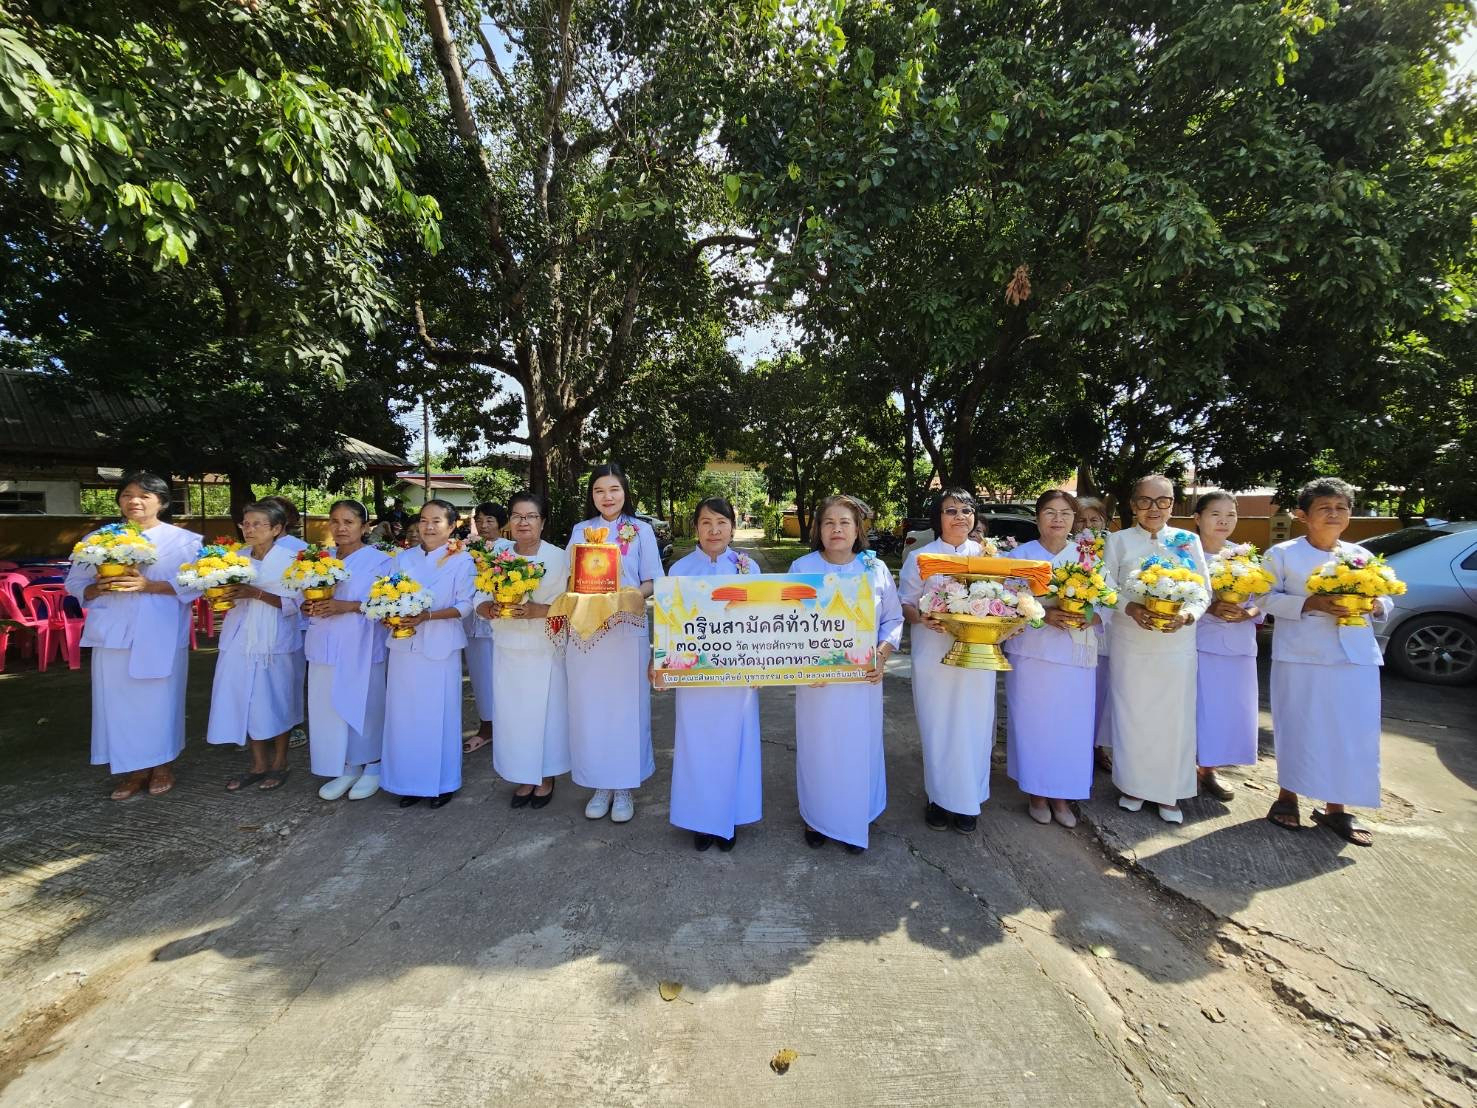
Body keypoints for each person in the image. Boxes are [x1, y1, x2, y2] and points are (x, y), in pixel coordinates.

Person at [1262, 478, 1388, 846]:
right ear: (1303, 515)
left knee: (1350, 730)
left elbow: (1387, 595)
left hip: (1355, 656)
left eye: (1342, 508)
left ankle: (1337, 808)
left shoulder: (1360, 556)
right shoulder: (1283, 554)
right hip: (1302, 655)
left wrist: (1375, 604)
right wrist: (1310, 603)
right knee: (1298, 723)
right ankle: (1288, 796)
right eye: (1325, 508)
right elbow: (1263, 598)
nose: (1334, 514)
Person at [65, 472, 202, 799]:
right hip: (112, 632)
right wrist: (95, 588)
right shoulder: (98, 540)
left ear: (162, 502)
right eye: (127, 495)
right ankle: (133, 770)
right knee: (118, 703)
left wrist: (149, 585)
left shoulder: (185, 542)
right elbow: (74, 584)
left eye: (144, 495)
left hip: (160, 631)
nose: (134, 501)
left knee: (161, 700)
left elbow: (197, 585)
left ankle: (163, 764)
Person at [789, 495, 904, 853]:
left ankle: (858, 816)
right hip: (816, 683)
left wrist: (882, 656)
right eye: (828, 523)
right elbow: (783, 623)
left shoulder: (875, 569)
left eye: (845, 523)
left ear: (858, 530)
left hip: (861, 682)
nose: (836, 529)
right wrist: (801, 663)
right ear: (818, 530)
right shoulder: (800, 567)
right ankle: (817, 817)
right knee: (818, 747)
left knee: (858, 748)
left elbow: (893, 620)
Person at [1098, 475, 1210, 823]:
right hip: (1132, 642)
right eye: (1145, 501)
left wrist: (1189, 615)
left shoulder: (1188, 540)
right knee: (1133, 714)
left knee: (1174, 718)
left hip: (1177, 645)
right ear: (1133, 505)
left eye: (1163, 502)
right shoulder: (1118, 541)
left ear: (1172, 505)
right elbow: (1105, 587)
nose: (1154, 509)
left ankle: (1169, 793)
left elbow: (1204, 591)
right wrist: (1130, 608)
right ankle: (1133, 786)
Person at [565, 464, 664, 823]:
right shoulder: (581, 530)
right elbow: (570, 578)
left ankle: (623, 787)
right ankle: (599, 784)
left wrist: (625, 598)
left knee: (626, 709)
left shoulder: (641, 531)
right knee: (591, 708)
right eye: (599, 491)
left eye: (614, 490)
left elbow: (653, 579)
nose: (607, 497)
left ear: (625, 492)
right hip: (588, 631)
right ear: (591, 496)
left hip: (626, 626)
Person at [663, 498, 763, 851]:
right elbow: (668, 627)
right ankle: (701, 820)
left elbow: (762, 625)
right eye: (706, 522)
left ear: (732, 528)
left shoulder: (749, 570)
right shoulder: (679, 572)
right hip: (695, 679)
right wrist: (661, 664)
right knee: (697, 747)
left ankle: (730, 818)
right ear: (696, 529)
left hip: (737, 678)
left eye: (721, 522)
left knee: (735, 744)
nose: (714, 529)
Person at [898, 488, 995, 834]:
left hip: (977, 657)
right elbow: (905, 604)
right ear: (938, 518)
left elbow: (1009, 599)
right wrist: (921, 617)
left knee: (975, 725)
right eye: (951, 510)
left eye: (967, 510)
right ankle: (938, 798)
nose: (960, 517)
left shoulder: (988, 556)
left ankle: (969, 800)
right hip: (934, 654)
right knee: (938, 725)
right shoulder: (921, 557)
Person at [1004, 490, 1101, 827]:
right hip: (1032, 655)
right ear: (1037, 517)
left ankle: (1063, 797)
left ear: (1074, 519)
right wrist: (1043, 615)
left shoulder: (1087, 556)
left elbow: (1107, 601)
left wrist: (1089, 615)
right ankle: (1036, 792)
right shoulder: (1020, 556)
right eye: (1049, 512)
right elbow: (1005, 602)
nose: (1058, 519)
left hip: (1075, 656)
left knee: (1071, 728)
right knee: (1034, 724)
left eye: (1065, 513)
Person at [380, 500, 476, 808]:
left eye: (436, 521)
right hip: (404, 646)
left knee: (440, 717)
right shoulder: (402, 559)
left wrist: (427, 617)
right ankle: (408, 782)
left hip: (440, 646)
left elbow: (465, 605)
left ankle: (443, 782)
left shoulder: (462, 560)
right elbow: (385, 593)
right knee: (404, 716)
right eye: (423, 520)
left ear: (451, 527)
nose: (428, 526)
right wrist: (387, 613)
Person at [477, 491, 570, 808]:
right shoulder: (497, 555)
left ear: (542, 522)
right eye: (517, 516)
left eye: (531, 516)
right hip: (507, 648)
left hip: (543, 650)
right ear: (509, 522)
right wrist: (488, 607)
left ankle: (545, 776)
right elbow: (478, 597)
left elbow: (569, 605)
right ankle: (522, 774)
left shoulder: (559, 557)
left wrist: (538, 611)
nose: (523, 522)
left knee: (544, 716)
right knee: (513, 716)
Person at [205, 500, 305, 791]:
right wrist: (220, 595)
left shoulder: (292, 559)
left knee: (277, 698)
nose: (249, 529)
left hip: (275, 640)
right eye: (245, 524)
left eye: (257, 524)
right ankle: (258, 764)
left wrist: (256, 593)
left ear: (276, 528)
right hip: (238, 636)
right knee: (245, 699)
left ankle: (280, 762)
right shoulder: (235, 557)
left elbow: (297, 604)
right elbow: (227, 595)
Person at [302, 500, 394, 801]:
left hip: (362, 643)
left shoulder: (381, 561)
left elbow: (389, 603)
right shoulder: (319, 559)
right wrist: (307, 604)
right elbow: (299, 598)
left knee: (365, 704)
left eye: (349, 522)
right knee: (327, 705)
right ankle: (345, 765)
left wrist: (348, 606)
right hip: (324, 642)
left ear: (364, 527)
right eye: (335, 521)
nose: (340, 528)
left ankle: (372, 765)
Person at [1192, 491, 1262, 801]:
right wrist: (1209, 608)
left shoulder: (1244, 556)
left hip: (1237, 643)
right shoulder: (1185, 554)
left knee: (1226, 710)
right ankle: (1181, 767)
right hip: (1197, 641)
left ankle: (1209, 769)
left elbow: (1264, 599)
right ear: (1198, 518)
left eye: (1230, 515)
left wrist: (1248, 612)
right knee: (1194, 708)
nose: (1223, 521)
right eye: (1215, 514)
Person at [463, 501, 512, 754]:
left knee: (503, 678)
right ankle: (486, 727)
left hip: (498, 625)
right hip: (470, 624)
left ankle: (508, 728)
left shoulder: (509, 550)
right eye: (479, 520)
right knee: (481, 678)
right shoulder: (465, 549)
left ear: (501, 523)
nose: (483, 525)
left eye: (490, 520)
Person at [1076, 495, 1114, 774]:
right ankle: (1081, 746)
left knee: (1106, 693)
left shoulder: (1115, 546)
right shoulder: (1067, 550)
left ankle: (1098, 746)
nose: (1087, 525)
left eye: (1094, 519)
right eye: (1081, 520)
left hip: (1110, 631)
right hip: (1077, 631)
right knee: (1083, 695)